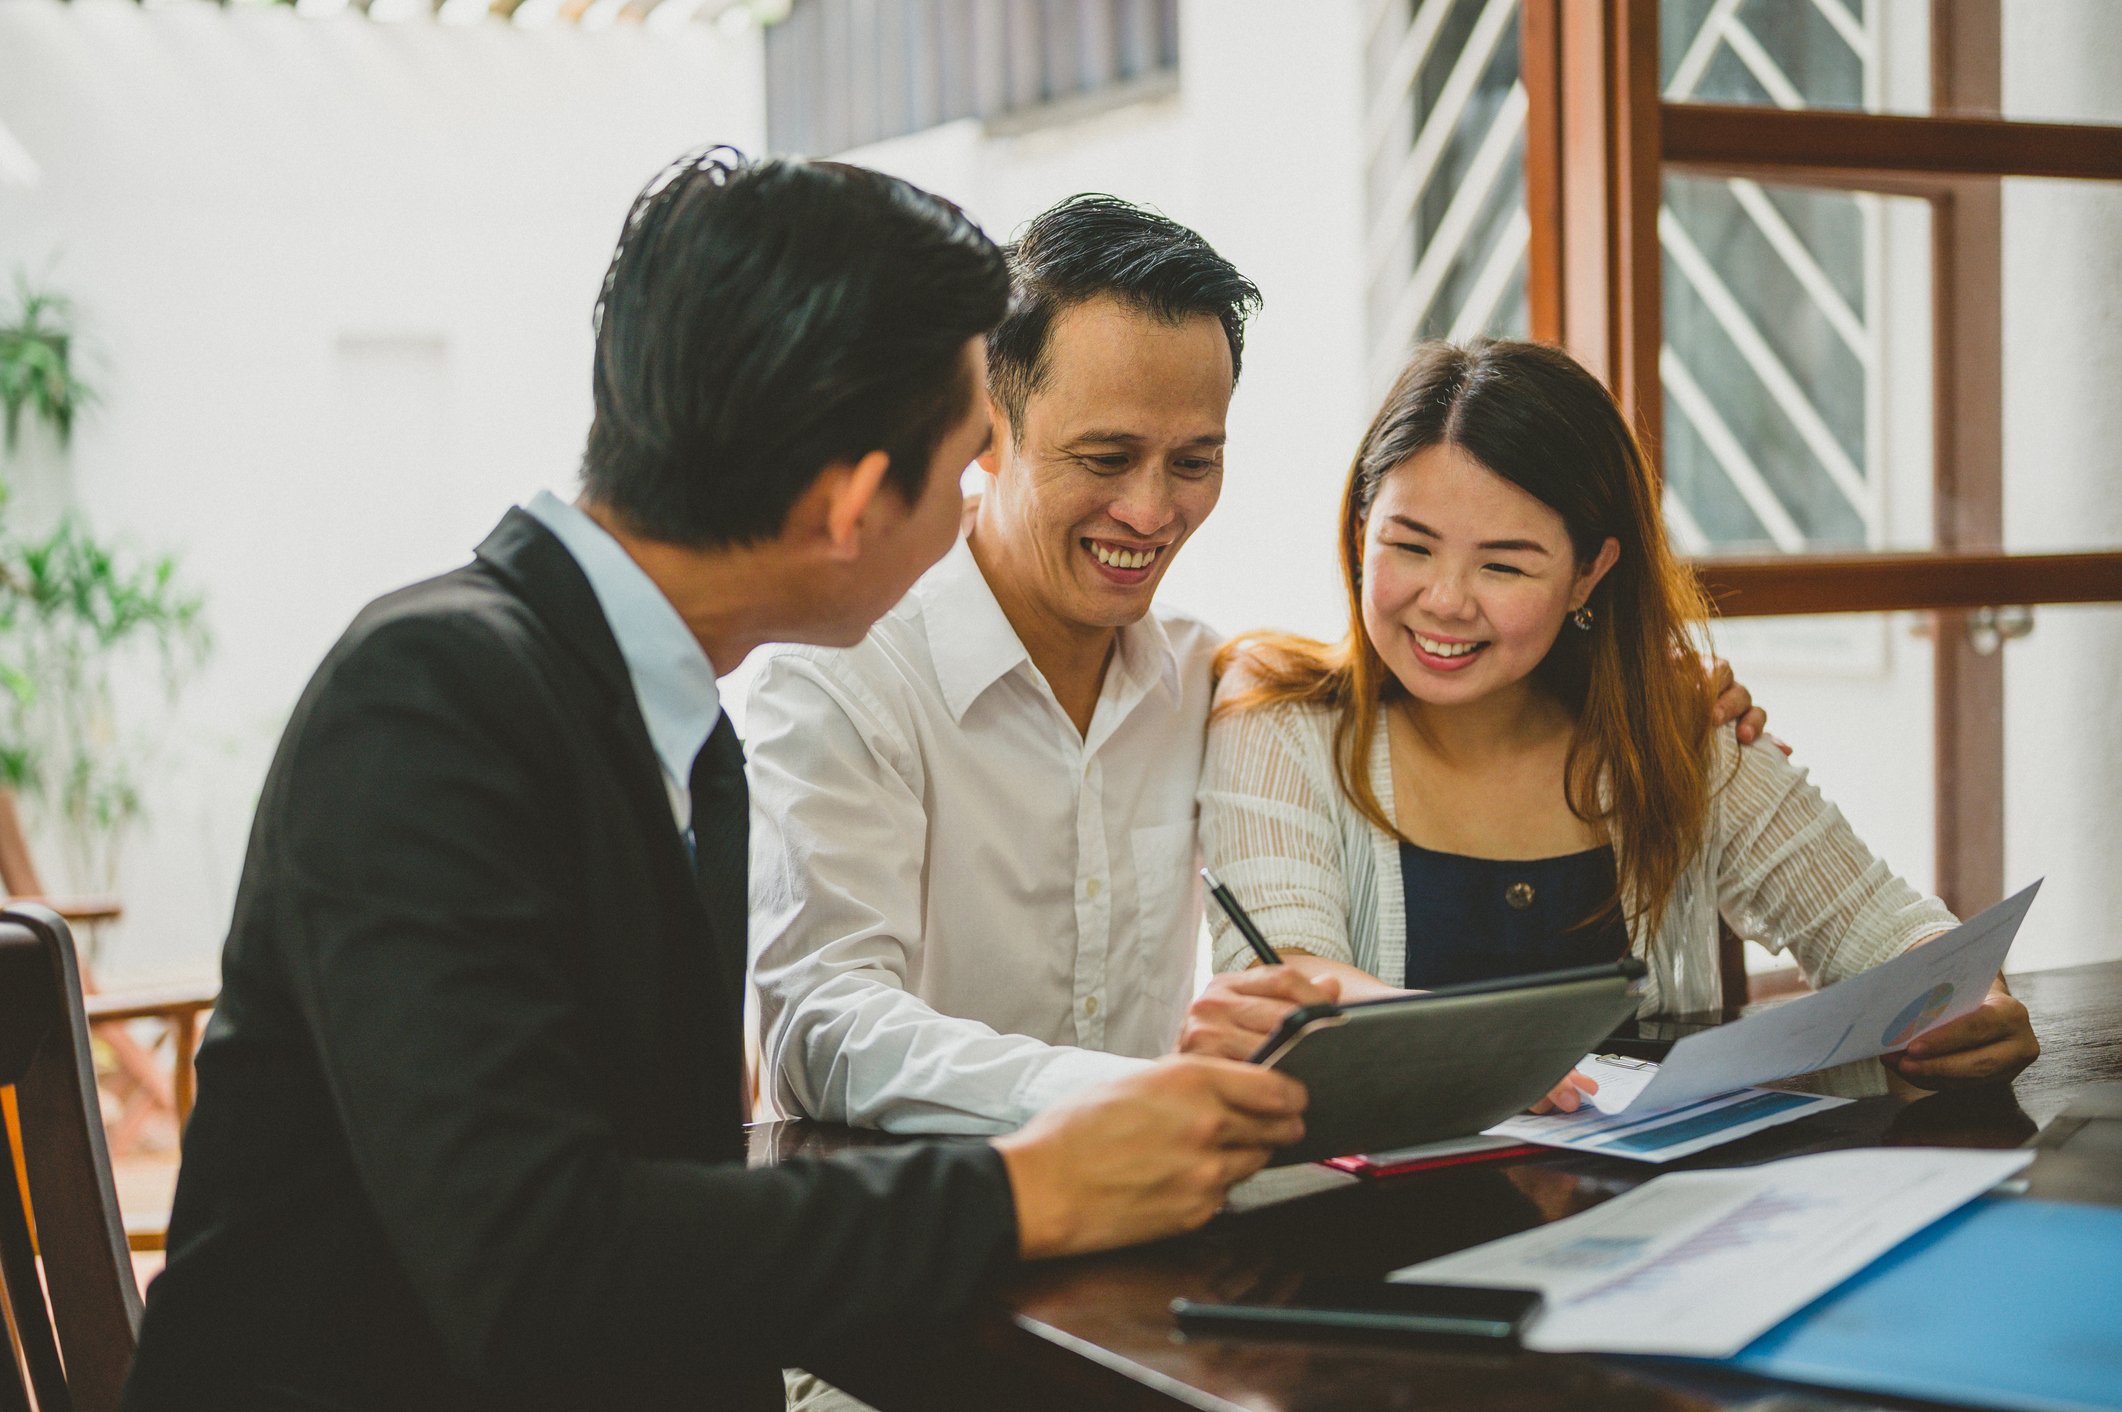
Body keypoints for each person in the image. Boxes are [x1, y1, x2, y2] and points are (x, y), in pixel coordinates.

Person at [118, 150, 1312, 1412]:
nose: (977, 501)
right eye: (967, 454)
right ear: (852, 503)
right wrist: (1035, 1185)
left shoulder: (659, 710)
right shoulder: (427, 698)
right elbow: (538, 1266)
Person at [747, 198, 1768, 1138]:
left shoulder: (1201, 676)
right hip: (913, 1247)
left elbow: (1369, 679)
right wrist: (1125, 1091)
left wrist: (1633, 683)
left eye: (1194, 461)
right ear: (986, 437)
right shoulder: (844, 674)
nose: (1151, 512)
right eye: (1104, 458)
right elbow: (820, 1027)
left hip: (1157, 1232)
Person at [1199, 338, 2038, 1090]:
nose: (1445, 602)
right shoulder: (1281, 719)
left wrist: (1966, 997)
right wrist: (1486, 1055)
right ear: (1358, 532)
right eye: (1409, 547)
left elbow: (1878, 927)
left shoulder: (1677, 727)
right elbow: (1285, 976)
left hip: (1657, 1223)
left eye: (1505, 566)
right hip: (1383, 1229)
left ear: (1590, 575)